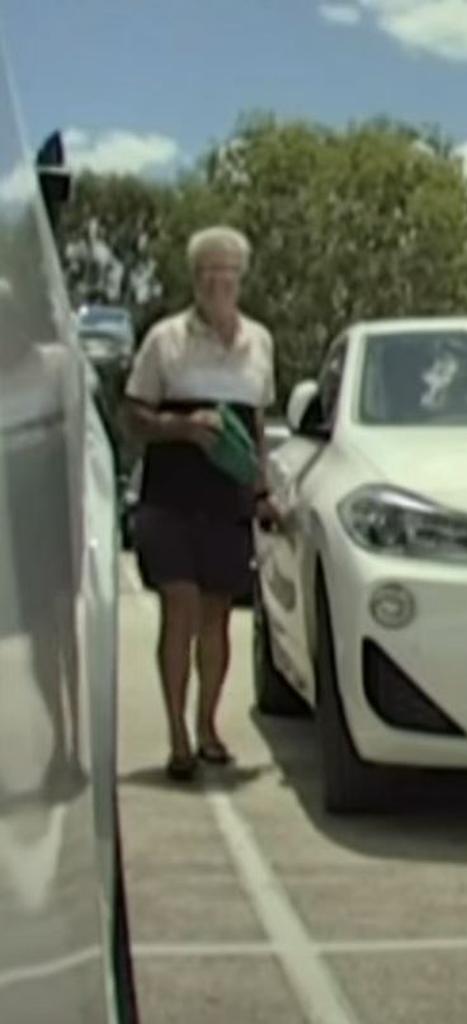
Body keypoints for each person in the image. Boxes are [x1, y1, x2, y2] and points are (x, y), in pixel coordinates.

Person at [123, 226, 277, 780]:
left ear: (242, 276)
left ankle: (209, 726)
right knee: (179, 611)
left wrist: (263, 490)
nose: (219, 279)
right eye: (209, 270)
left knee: (217, 620)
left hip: (227, 500)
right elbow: (134, 415)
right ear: (194, 278)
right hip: (170, 497)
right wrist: (184, 426)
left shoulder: (259, 341)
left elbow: (257, 424)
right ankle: (177, 736)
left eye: (229, 269)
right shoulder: (165, 339)